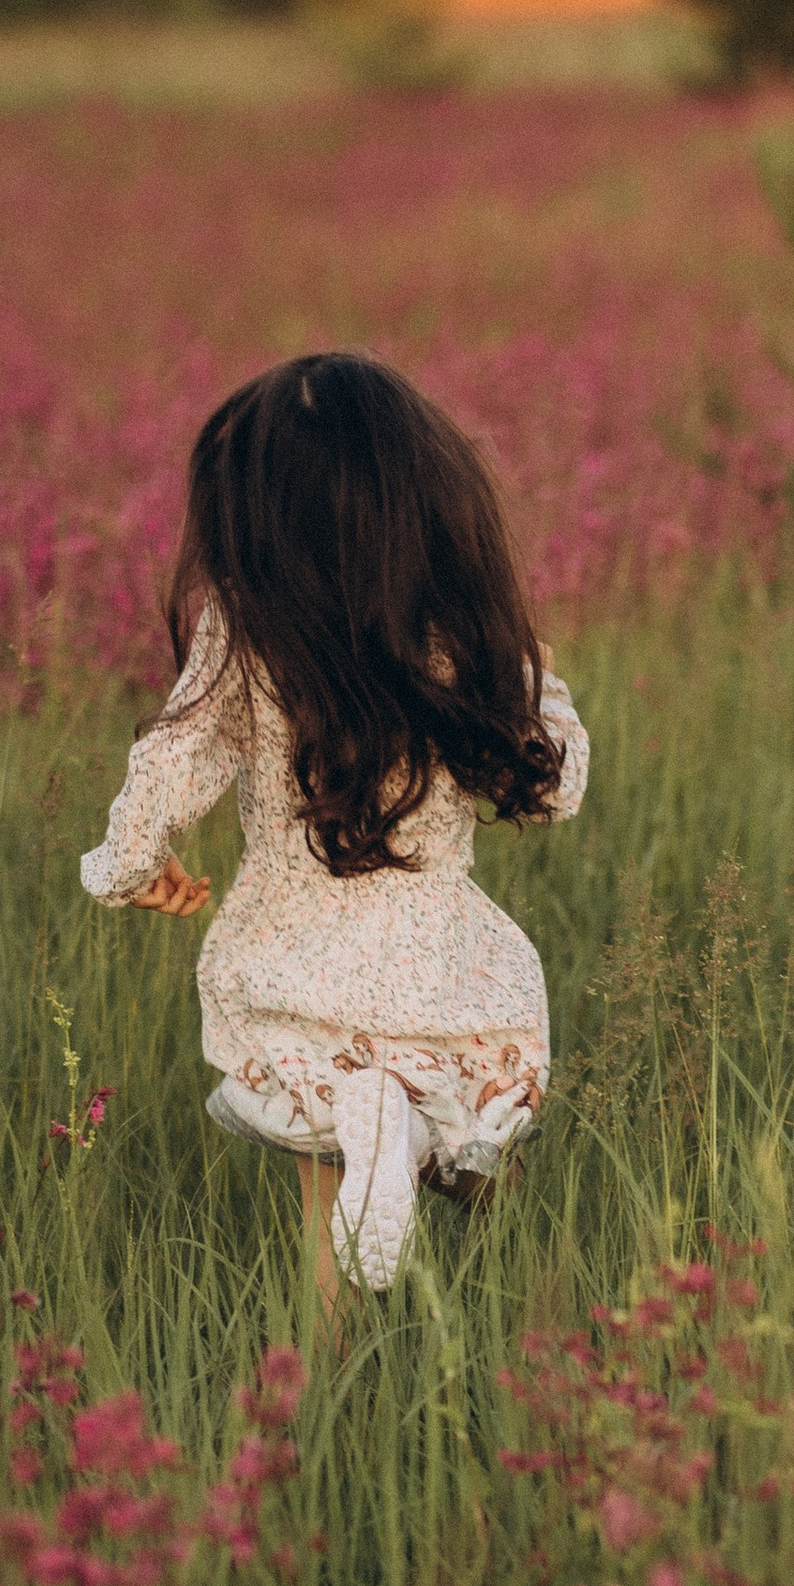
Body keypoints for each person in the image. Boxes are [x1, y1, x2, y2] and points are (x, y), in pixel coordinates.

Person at [81, 350, 589, 1307]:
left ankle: (326, 1378)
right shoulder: (457, 632)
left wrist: (126, 867)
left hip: (295, 960)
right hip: (442, 963)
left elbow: (169, 766)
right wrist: (540, 687)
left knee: (332, 1197)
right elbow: (554, 788)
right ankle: (535, 1314)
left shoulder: (246, 633)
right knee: (484, 1146)